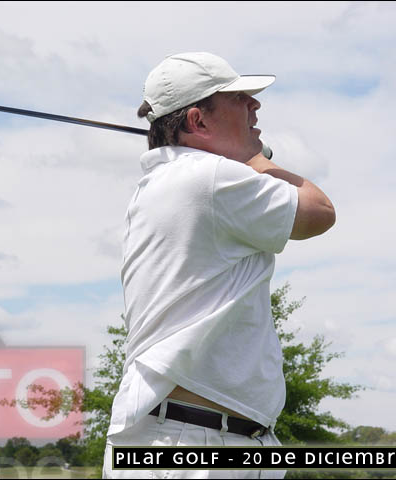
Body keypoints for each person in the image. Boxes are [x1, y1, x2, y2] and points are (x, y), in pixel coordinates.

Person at [103, 52, 336, 479]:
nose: (254, 105)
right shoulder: (208, 177)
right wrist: (257, 158)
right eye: (238, 98)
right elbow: (319, 212)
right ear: (198, 121)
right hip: (194, 442)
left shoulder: (177, 179)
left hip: (207, 437)